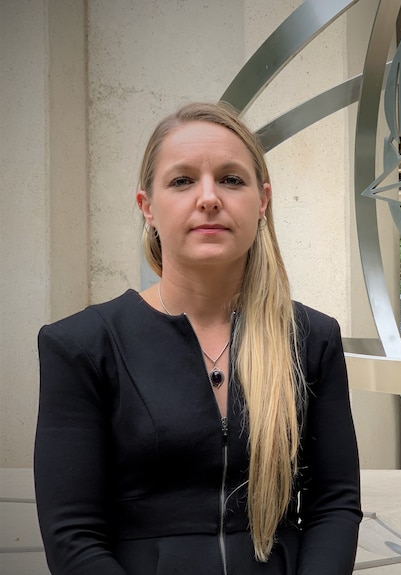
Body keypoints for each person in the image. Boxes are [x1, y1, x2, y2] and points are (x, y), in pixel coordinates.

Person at [34, 102, 362, 574]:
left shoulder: (311, 340)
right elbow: (73, 536)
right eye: (182, 180)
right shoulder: (82, 346)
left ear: (262, 201)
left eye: (231, 179)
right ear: (147, 205)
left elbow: (334, 503)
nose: (209, 197)